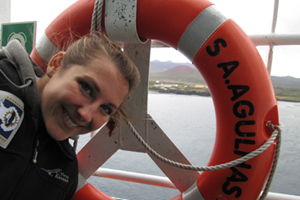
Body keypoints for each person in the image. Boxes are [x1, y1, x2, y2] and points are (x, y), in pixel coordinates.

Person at [0, 33, 140, 199]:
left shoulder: (66, 168)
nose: (86, 115)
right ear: (57, 65)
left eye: (105, 109)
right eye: (86, 88)